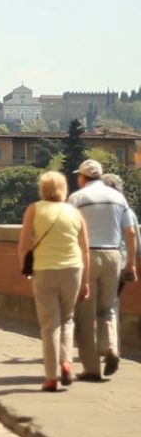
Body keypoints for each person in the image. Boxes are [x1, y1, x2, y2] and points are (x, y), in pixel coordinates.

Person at [18, 171, 90, 391]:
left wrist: (25, 269)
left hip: (44, 270)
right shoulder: (74, 212)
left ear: (42, 188)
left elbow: (24, 245)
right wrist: (85, 282)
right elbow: (85, 250)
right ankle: (67, 362)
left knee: (50, 325)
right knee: (67, 319)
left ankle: (51, 377)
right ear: (63, 189)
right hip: (72, 269)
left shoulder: (34, 209)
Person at [68, 159, 137, 379]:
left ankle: (91, 369)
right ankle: (112, 348)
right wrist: (131, 263)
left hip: (87, 256)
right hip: (114, 255)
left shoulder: (77, 198)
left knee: (85, 314)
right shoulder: (118, 197)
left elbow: (68, 230)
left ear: (82, 177)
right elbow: (131, 233)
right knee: (108, 307)